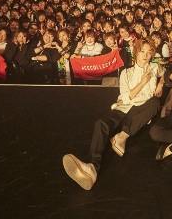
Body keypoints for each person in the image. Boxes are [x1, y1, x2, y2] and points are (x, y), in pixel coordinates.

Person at [62, 37, 162, 190]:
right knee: (101, 124)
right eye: (142, 51)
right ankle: (92, 168)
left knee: (155, 102)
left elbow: (165, 73)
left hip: (140, 111)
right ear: (136, 52)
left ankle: (122, 136)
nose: (145, 55)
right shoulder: (125, 73)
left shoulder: (155, 67)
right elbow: (127, 98)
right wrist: (142, 82)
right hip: (123, 108)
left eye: (149, 52)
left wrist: (161, 83)